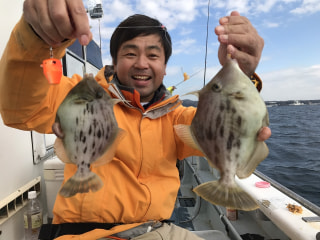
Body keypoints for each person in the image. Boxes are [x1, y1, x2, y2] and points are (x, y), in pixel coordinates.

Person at [0, 0, 270, 239]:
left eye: (153, 55)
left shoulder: (177, 116)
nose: (142, 63)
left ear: (165, 67)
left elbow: (222, 126)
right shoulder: (81, 97)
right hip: (88, 234)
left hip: (160, 231)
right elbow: (22, 111)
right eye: (130, 53)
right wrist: (36, 39)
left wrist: (241, 73)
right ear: (115, 62)